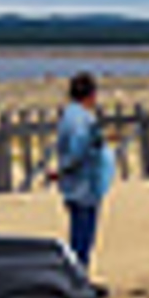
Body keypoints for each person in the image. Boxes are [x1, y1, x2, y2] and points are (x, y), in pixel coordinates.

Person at [52, 71, 112, 269]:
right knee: (82, 240)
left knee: (80, 237)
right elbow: (78, 151)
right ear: (91, 95)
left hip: (77, 186)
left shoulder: (68, 116)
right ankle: (78, 281)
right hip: (84, 187)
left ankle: (78, 278)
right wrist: (61, 171)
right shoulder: (81, 119)